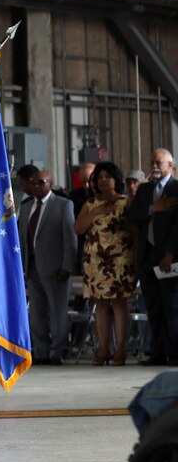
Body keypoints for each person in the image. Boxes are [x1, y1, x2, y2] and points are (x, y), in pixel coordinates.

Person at [74, 161, 136, 365]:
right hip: (95, 261)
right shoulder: (90, 204)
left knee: (119, 303)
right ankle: (103, 348)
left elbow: (135, 231)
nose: (102, 181)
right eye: (98, 178)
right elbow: (78, 229)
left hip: (119, 260)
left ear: (115, 179)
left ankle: (120, 349)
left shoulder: (126, 202)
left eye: (106, 177)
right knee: (99, 304)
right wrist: (96, 212)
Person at [17, 169, 77, 365]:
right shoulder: (26, 207)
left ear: (50, 184)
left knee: (57, 312)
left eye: (41, 182)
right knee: (36, 313)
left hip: (56, 268)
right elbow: (22, 240)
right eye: (34, 182)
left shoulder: (63, 205)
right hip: (32, 266)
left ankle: (56, 352)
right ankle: (41, 351)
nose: (36, 186)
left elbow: (70, 239)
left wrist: (67, 266)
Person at [127, 149, 178, 366]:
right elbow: (132, 216)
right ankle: (157, 353)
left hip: (169, 257)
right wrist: (152, 208)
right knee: (153, 308)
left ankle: (175, 353)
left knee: (172, 308)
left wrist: (170, 253)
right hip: (147, 257)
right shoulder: (145, 189)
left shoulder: (177, 188)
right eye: (152, 163)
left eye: (158, 162)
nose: (154, 166)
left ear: (170, 164)